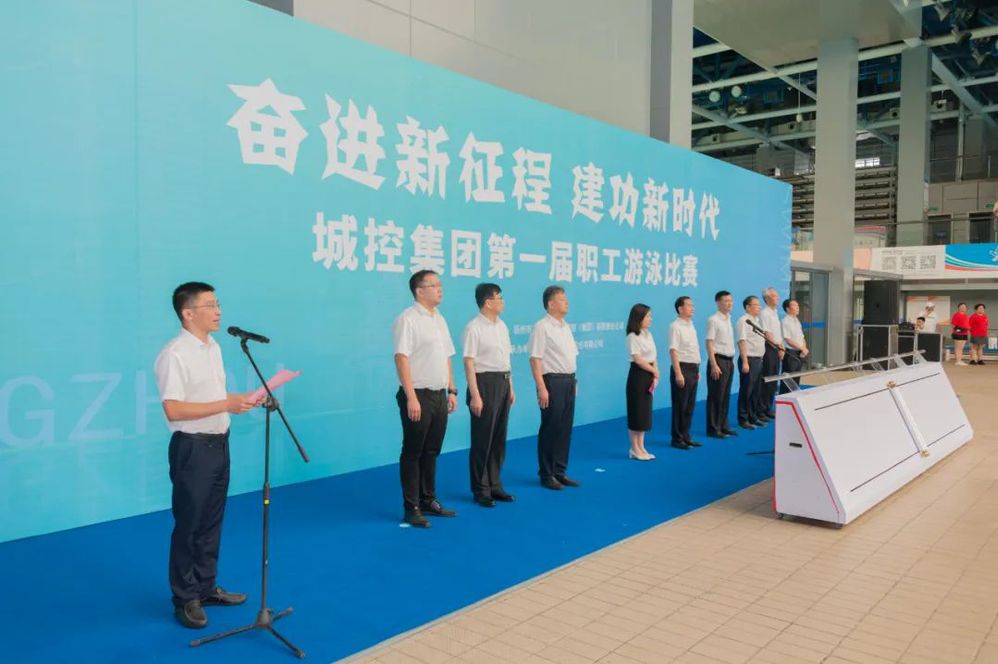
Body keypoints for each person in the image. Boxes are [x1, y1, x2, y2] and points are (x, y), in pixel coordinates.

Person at [153, 282, 257, 629]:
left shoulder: (213, 347)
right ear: (188, 313)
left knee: (212, 522)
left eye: (218, 303)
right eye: (210, 305)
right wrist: (226, 403)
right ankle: (185, 599)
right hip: (192, 448)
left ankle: (206, 587)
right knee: (189, 525)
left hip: (219, 443)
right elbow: (174, 409)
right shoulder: (174, 354)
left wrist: (235, 402)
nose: (218, 311)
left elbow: (209, 397)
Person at [393, 269, 459, 529]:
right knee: (413, 452)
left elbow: (447, 357)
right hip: (417, 394)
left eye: (440, 284)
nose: (440, 289)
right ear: (419, 291)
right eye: (434, 285)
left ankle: (428, 499)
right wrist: (411, 397)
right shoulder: (408, 319)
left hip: (439, 394)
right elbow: (401, 358)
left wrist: (451, 389)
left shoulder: (439, 318)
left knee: (432, 450)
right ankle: (411, 508)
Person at [462, 283, 516, 508]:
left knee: (498, 439)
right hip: (484, 384)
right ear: (487, 302)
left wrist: (510, 386)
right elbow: (469, 362)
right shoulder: (473, 327)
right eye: (499, 298)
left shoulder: (502, 326)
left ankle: (495, 484)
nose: (502, 301)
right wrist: (475, 394)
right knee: (482, 439)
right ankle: (480, 489)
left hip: (503, 382)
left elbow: (506, 359)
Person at [528, 286, 581, 490]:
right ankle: (547, 473)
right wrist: (541, 387)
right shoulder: (542, 327)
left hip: (568, 381)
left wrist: (574, 381)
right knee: (551, 427)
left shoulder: (565, 327)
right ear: (550, 304)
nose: (566, 302)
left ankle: (560, 471)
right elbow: (535, 359)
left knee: (565, 428)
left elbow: (569, 357)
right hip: (552, 382)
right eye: (562, 299)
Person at [625, 303, 659, 460]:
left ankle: (641, 446)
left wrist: (656, 373)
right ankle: (634, 448)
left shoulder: (648, 334)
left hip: (649, 373)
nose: (650, 319)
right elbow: (638, 359)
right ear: (639, 318)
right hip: (638, 376)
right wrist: (653, 371)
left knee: (645, 413)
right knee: (636, 413)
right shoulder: (632, 336)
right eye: (648, 316)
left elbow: (653, 356)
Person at [669, 296, 701, 450]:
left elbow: (693, 349)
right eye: (689, 305)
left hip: (693, 368)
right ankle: (677, 438)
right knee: (680, 405)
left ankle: (686, 436)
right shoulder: (675, 326)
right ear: (680, 309)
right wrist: (678, 373)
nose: (692, 308)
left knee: (689, 405)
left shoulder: (691, 325)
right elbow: (673, 350)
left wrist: (697, 369)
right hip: (682, 368)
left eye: (693, 305)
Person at [704, 291, 738, 439]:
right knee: (715, 396)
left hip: (729, 361)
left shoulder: (728, 319)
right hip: (718, 361)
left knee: (725, 395)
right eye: (726, 301)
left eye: (731, 300)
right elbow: (709, 342)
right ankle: (713, 428)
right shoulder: (714, 320)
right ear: (718, 303)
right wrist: (713, 364)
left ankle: (723, 425)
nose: (729, 303)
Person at [737, 296, 766, 429]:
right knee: (746, 390)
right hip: (749, 359)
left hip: (758, 360)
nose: (759, 307)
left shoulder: (757, 321)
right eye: (756, 305)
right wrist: (745, 361)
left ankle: (753, 417)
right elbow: (742, 341)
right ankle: (743, 419)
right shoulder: (743, 321)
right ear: (748, 307)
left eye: (759, 305)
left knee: (756, 390)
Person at [756, 287, 785, 421]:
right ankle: (761, 410)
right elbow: (767, 333)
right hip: (769, 348)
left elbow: (778, 333)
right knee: (767, 379)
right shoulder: (765, 313)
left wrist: (781, 347)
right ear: (767, 299)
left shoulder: (774, 312)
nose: (777, 298)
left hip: (776, 348)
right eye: (774, 296)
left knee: (773, 380)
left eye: (777, 295)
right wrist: (778, 347)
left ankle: (768, 407)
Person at [781, 298, 809, 392]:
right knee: (789, 380)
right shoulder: (785, 321)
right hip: (790, 354)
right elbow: (788, 340)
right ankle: (785, 398)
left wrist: (804, 349)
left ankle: (794, 398)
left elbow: (802, 337)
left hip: (799, 353)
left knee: (796, 379)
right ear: (788, 309)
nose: (798, 307)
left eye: (797, 305)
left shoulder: (796, 320)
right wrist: (802, 348)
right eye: (794, 305)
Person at [951, 302, 970, 366]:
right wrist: (959, 330)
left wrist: (967, 329)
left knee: (961, 348)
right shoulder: (956, 315)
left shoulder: (966, 315)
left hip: (965, 333)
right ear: (958, 308)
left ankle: (959, 360)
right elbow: (953, 325)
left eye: (964, 307)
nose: (963, 308)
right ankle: (957, 361)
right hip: (958, 334)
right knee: (958, 347)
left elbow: (967, 325)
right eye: (961, 306)